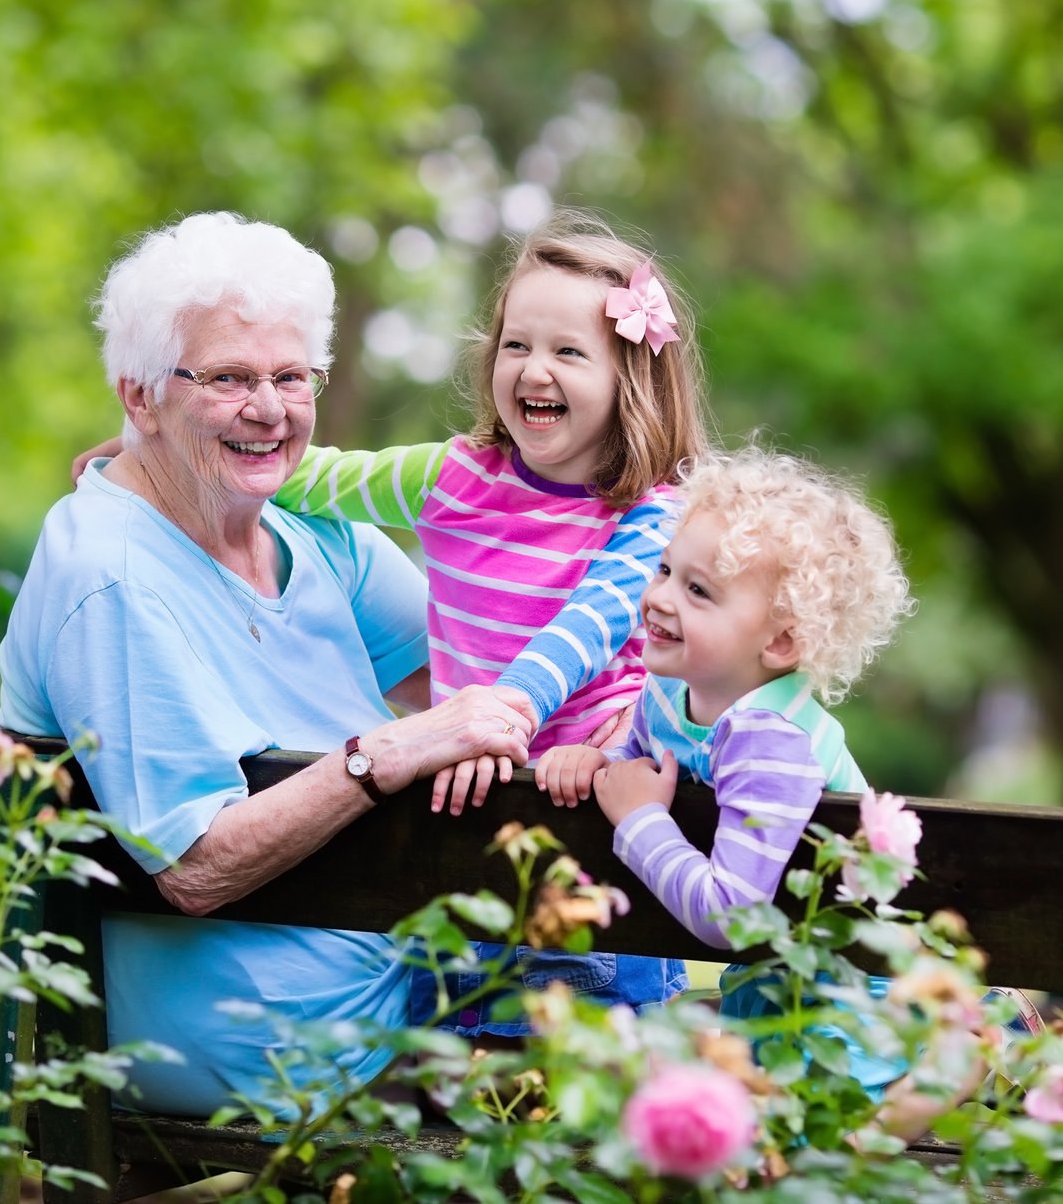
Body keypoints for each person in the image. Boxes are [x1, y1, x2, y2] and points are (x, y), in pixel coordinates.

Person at [71, 212, 711, 1035]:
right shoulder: (455, 477)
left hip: (583, 848)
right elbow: (318, 478)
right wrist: (142, 453)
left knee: (575, 1100)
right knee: (462, 1079)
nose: (533, 369)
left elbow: (581, 634)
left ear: (632, 379)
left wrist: (493, 716)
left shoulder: (652, 517)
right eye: (516, 345)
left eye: (568, 352)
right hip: (459, 849)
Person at [0, 212, 532, 1117]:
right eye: (229, 379)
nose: (271, 409)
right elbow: (194, 865)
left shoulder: (311, 533)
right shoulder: (112, 577)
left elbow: (504, 694)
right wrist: (383, 753)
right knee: (634, 1061)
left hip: (400, 989)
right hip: (257, 1041)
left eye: (291, 376)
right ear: (138, 398)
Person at [539, 447, 916, 1095]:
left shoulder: (771, 738)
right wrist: (598, 761)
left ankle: (943, 1073)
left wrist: (641, 821)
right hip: (775, 981)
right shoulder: (665, 693)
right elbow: (638, 771)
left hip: (853, 1003)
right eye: (664, 569)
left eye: (698, 589)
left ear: (779, 642)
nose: (657, 596)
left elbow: (732, 916)